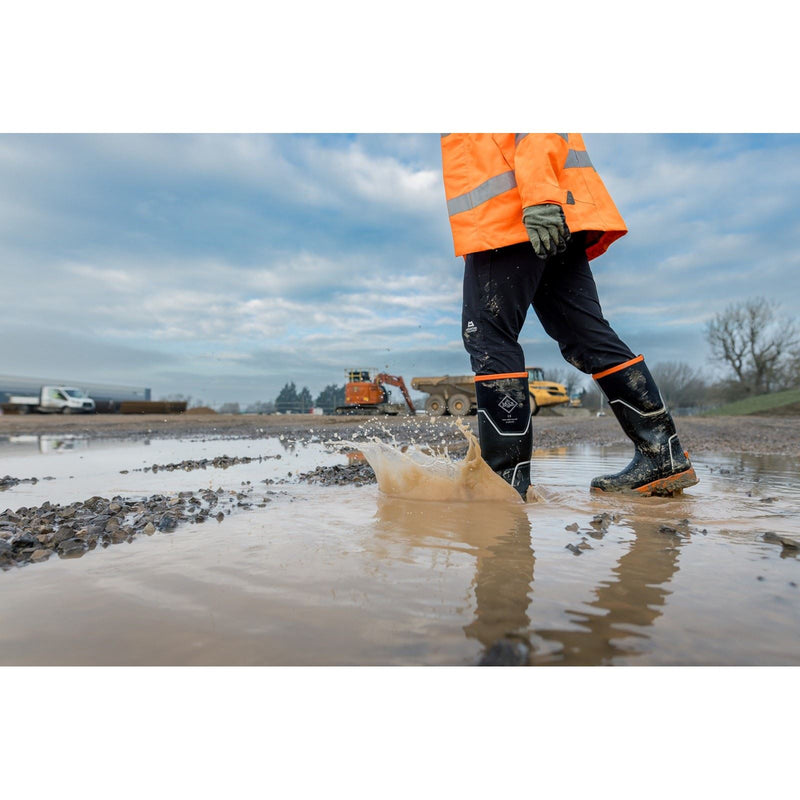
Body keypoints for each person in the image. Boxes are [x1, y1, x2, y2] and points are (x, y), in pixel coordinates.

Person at [440, 133, 698, 499]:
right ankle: (662, 455)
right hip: (544, 212)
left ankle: (501, 484)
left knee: (488, 336)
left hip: (515, 217)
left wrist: (539, 200)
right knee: (585, 336)